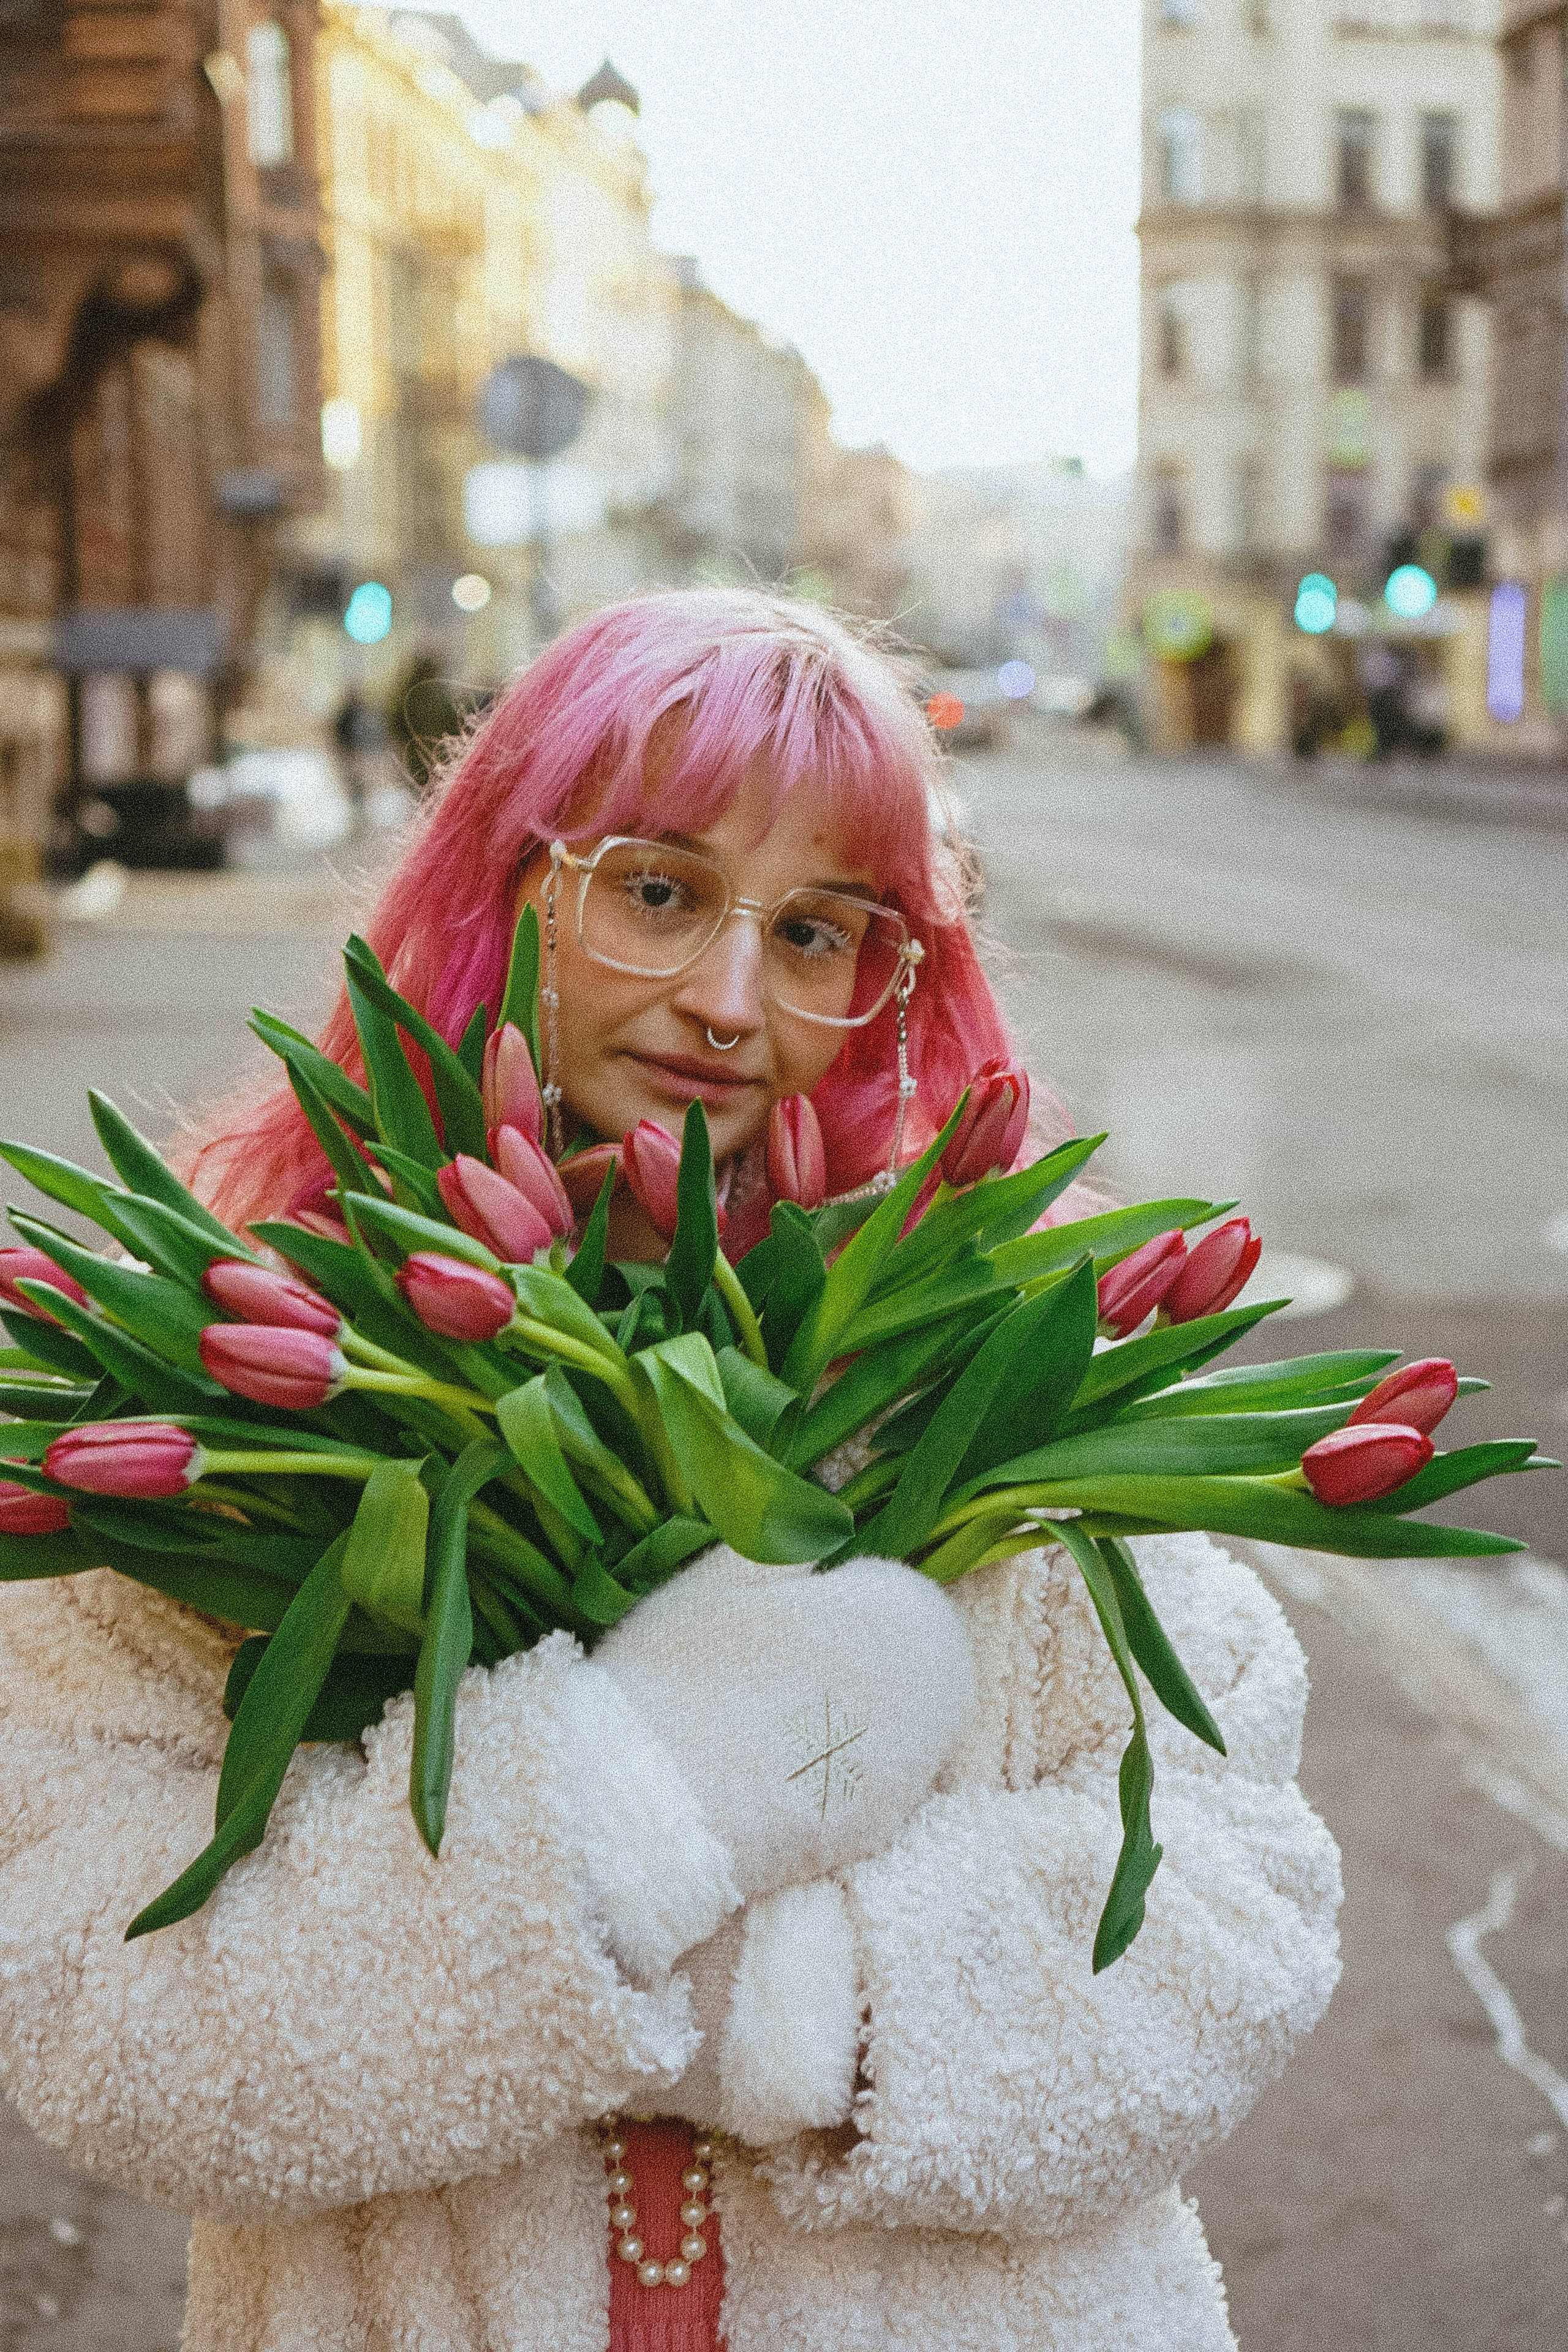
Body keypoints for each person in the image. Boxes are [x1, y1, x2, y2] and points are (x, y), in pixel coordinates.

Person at [0, 590, 1341, 2351]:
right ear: (509, 891)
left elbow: (1223, 1925)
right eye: (657, 891)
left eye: (817, 933)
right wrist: (632, 1814)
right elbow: (107, 2008)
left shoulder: (1003, 1382)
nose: (728, 1000)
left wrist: (782, 2006)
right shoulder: (255, 1398)